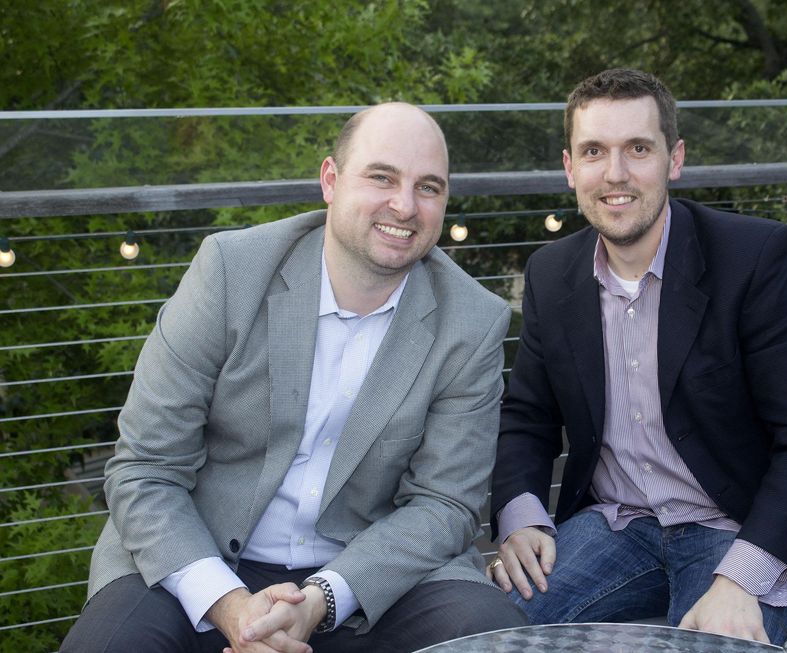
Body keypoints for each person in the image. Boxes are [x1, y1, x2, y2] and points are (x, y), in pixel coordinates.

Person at [62, 102, 527, 653]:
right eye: (382, 177)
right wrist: (232, 607)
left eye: (428, 187)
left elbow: (445, 504)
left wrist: (321, 600)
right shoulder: (231, 272)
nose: (404, 206)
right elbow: (145, 468)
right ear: (330, 180)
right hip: (198, 556)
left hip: (369, 573)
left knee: (490, 635)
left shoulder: (472, 321)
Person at [488, 69, 787, 645]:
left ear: (675, 158)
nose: (615, 174)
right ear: (570, 168)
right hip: (615, 524)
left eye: (638, 148)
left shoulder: (757, 258)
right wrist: (521, 519)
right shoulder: (552, 273)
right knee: (485, 629)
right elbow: (527, 417)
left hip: (740, 530)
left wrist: (742, 579)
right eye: (594, 151)